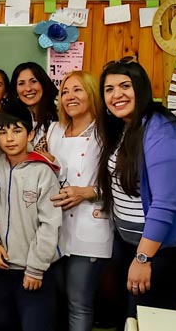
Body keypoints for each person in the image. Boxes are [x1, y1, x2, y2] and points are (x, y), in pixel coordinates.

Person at [97, 57, 176, 320]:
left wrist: (143, 259)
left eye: (124, 86)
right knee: (127, 320)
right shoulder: (126, 128)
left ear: (141, 88)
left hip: (164, 251)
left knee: (143, 322)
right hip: (133, 246)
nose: (117, 95)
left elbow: (164, 204)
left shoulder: (163, 131)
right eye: (109, 89)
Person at [38, 71, 112, 331]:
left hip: (90, 226)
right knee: (58, 297)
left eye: (77, 90)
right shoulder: (55, 129)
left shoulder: (107, 132)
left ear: (91, 94)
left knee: (79, 302)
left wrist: (86, 192)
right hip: (56, 226)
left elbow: (124, 182)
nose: (70, 96)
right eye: (65, 91)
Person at [0, 101, 62, 331]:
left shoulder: (43, 172)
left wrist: (36, 268)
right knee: (0, 323)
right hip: (2, 268)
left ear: (30, 133)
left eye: (17, 130)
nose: (9, 138)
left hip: (35, 271)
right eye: (3, 132)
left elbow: (50, 223)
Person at [8, 62, 58, 149]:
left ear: (43, 84)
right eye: (21, 83)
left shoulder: (59, 116)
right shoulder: (13, 118)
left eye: (33, 81)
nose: (28, 88)